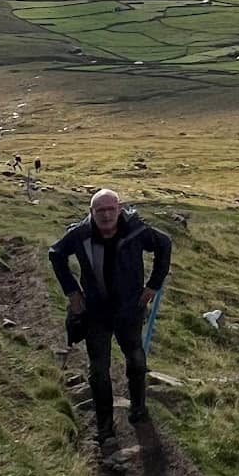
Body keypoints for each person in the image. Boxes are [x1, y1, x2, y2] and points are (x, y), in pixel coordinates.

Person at [48, 188, 172, 446]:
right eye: (100, 210)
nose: (106, 215)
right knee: (98, 372)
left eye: (110, 209)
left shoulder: (136, 231)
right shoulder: (80, 234)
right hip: (96, 312)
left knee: (136, 360)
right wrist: (72, 292)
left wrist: (154, 284)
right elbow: (56, 254)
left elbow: (164, 244)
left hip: (129, 310)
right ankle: (105, 428)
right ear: (91, 212)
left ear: (119, 208)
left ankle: (138, 408)